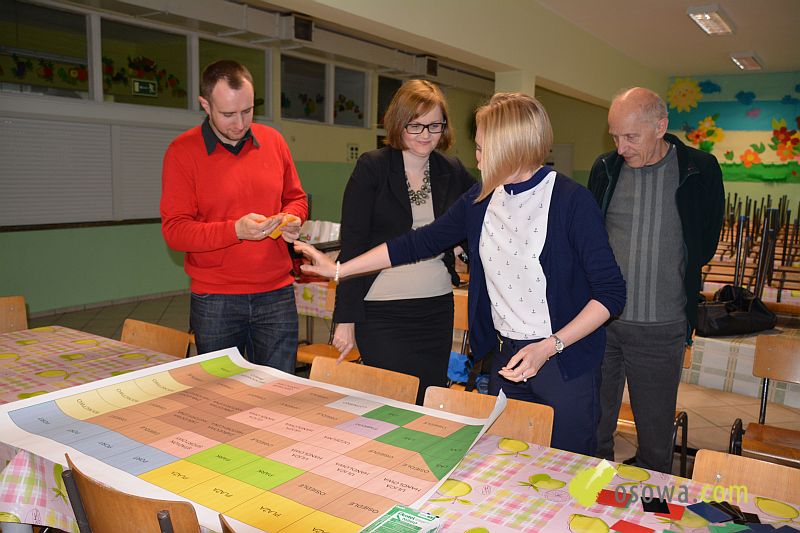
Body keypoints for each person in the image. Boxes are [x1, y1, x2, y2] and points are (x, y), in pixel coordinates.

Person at [296, 93, 625, 455]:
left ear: (510, 147)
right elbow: (418, 243)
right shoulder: (481, 198)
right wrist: (339, 268)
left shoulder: (571, 201)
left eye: (482, 149)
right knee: (506, 461)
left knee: (567, 465)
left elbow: (610, 293)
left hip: (563, 359)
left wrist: (549, 347)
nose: (477, 157)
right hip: (506, 359)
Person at [589, 87, 724, 473]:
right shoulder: (605, 168)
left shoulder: (699, 169)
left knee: (654, 439)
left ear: (661, 127)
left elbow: (705, 242)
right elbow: (592, 236)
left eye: (631, 136)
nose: (620, 148)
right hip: (601, 322)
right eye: (615, 136)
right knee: (593, 428)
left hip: (661, 327)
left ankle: (651, 506)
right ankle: (589, 498)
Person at [332, 79, 476, 405]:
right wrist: (346, 319)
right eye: (416, 125)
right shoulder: (372, 168)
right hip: (382, 312)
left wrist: (462, 248)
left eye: (435, 126)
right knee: (391, 403)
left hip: (436, 308)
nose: (426, 135)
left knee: (429, 400)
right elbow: (353, 244)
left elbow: (477, 222)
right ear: (399, 123)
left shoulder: (451, 170)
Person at [160, 59, 307, 372]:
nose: (240, 123)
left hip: (277, 294)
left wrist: (292, 218)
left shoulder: (274, 141)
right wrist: (235, 231)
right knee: (221, 392)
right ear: (205, 105)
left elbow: (296, 198)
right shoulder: (182, 152)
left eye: (248, 111)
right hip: (216, 299)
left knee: (281, 390)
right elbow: (175, 231)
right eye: (228, 114)